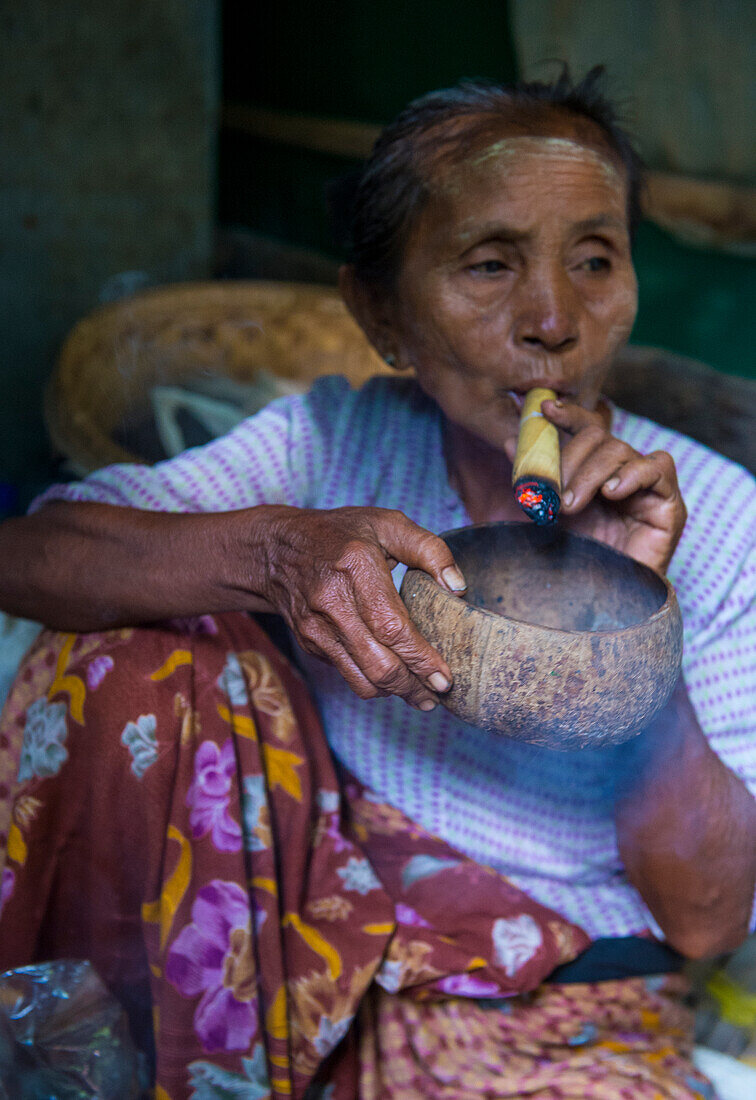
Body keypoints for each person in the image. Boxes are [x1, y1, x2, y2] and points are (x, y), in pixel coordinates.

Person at [0, 68, 754, 1099]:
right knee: (126, 658)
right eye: (491, 264)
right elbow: (35, 555)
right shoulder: (334, 439)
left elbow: (709, 917)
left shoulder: (723, 517)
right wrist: (273, 551)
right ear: (384, 316)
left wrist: (623, 619)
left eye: (595, 259)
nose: (553, 319)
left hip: (557, 994)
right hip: (303, 911)